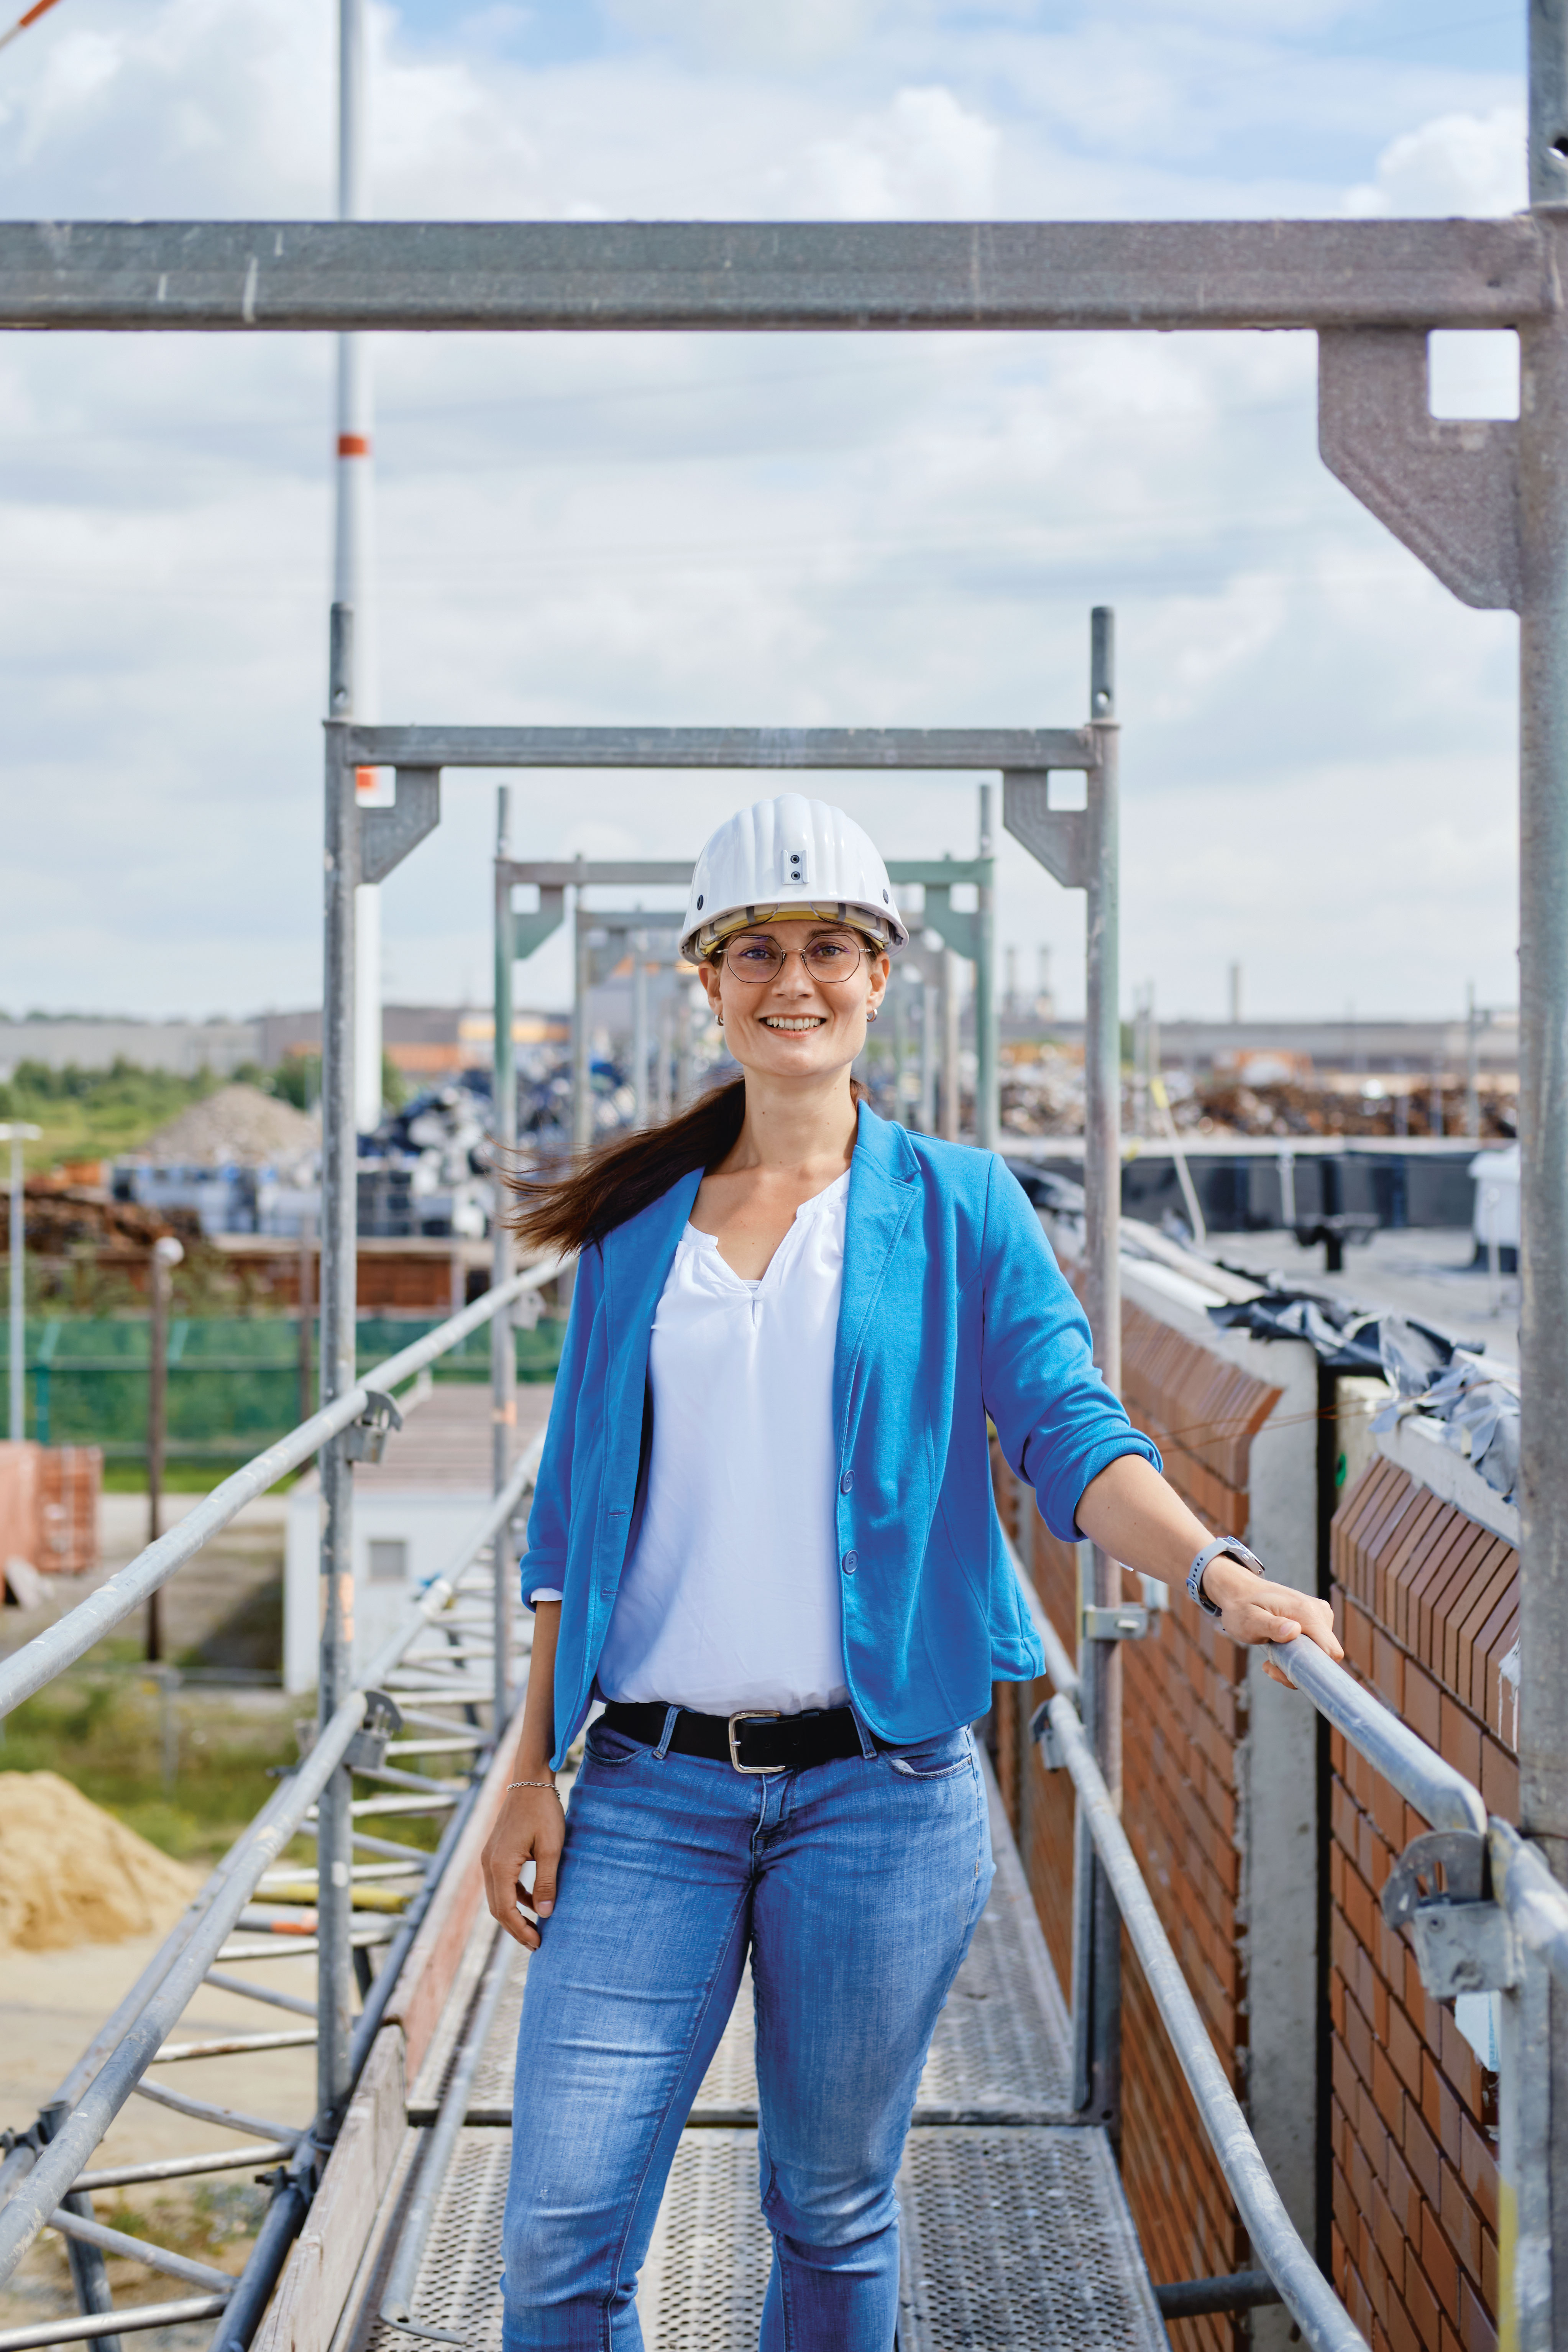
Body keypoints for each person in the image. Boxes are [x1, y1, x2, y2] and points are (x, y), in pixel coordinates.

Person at [483, 793, 1340, 2352]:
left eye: (828, 946)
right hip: (647, 1794)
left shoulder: (958, 1207)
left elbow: (1071, 1431)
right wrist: (528, 1766)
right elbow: (574, 1521)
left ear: (881, 975)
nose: (790, 977)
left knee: (829, 2209)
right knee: (557, 2228)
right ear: (708, 977)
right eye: (755, 948)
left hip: (878, 1795)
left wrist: (1214, 1566)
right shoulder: (633, 1232)